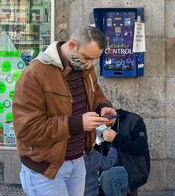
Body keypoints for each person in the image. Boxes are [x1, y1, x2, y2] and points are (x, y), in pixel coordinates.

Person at [13, 26, 116, 196]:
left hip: (78, 160)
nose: (90, 64)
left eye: (94, 60)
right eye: (87, 57)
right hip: (45, 167)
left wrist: (102, 107)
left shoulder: (85, 68)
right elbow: (27, 129)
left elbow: (95, 94)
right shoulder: (34, 74)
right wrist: (77, 123)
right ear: (72, 45)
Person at [100, 109, 150, 196]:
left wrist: (116, 138)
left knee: (108, 177)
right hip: (109, 166)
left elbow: (140, 148)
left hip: (133, 168)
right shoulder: (101, 128)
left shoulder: (133, 120)